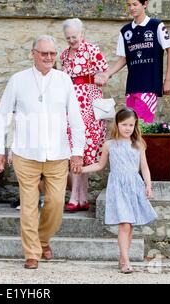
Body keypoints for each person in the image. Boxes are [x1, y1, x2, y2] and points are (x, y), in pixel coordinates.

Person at [0, 35, 86, 269]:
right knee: (29, 203)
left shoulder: (64, 80)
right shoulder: (18, 80)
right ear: (33, 53)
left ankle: (43, 239)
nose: (49, 58)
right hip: (25, 153)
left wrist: (77, 151)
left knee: (55, 203)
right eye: (44, 53)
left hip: (57, 154)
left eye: (53, 54)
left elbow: (75, 118)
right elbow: (2, 115)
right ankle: (31, 252)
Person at [82, 108, 157, 273]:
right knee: (124, 224)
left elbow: (144, 167)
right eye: (124, 124)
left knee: (129, 225)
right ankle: (125, 261)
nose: (128, 128)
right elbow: (100, 165)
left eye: (131, 124)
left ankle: (123, 258)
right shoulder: (109, 145)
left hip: (134, 186)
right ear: (117, 124)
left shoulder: (138, 144)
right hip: (118, 187)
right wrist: (81, 169)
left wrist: (148, 186)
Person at [96, 0, 170, 123]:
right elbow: (123, 58)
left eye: (135, 4)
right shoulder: (125, 30)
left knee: (141, 124)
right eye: (129, 5)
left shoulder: (156, 25)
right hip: (132, 86)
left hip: (150, 85)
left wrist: (168, 79)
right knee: (131, 126)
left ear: (145, 4)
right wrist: (107, 73)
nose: (131, 8)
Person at [60, 18, 109, 212]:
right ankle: (80, 198)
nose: (72, 40)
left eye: (75, 36)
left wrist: (99, 78)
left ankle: (77, 197)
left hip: (89, 102)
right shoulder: (64, 55)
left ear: (82, 33)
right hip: (71, 103)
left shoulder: (92, 50)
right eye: (68, 37)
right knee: (75, 147)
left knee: (86, 149)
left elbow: (105, 72)